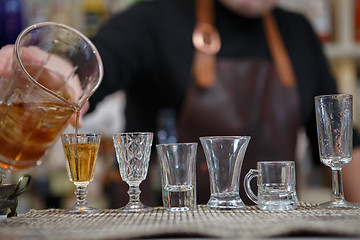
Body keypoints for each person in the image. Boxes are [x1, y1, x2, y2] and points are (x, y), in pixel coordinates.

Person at [1, 0, 360, 205]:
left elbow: (343, 151)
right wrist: (51, 74)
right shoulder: (157, 19)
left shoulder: (298, 33)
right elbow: (87, 65)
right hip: (163, 230)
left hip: (273, 230)